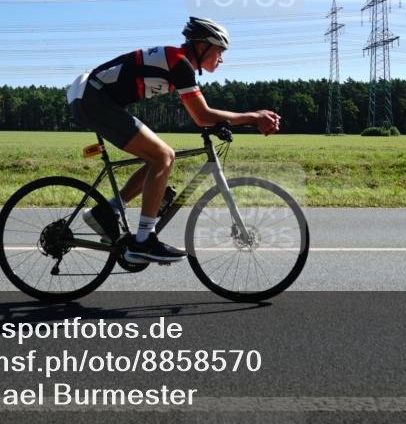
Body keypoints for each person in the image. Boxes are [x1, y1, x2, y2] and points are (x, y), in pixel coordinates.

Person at [67, 17, 281, 264]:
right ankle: (143, 241)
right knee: (164, 156)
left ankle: (107, 211)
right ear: (202, 47)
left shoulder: (177, 62)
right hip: (93, 99)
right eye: (219, 51)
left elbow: (201, 115)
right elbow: (202, 116)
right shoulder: (179, 63)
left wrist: (225, 122)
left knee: (157, 158)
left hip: (92, 97)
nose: (221, 59)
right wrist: (253, 117)